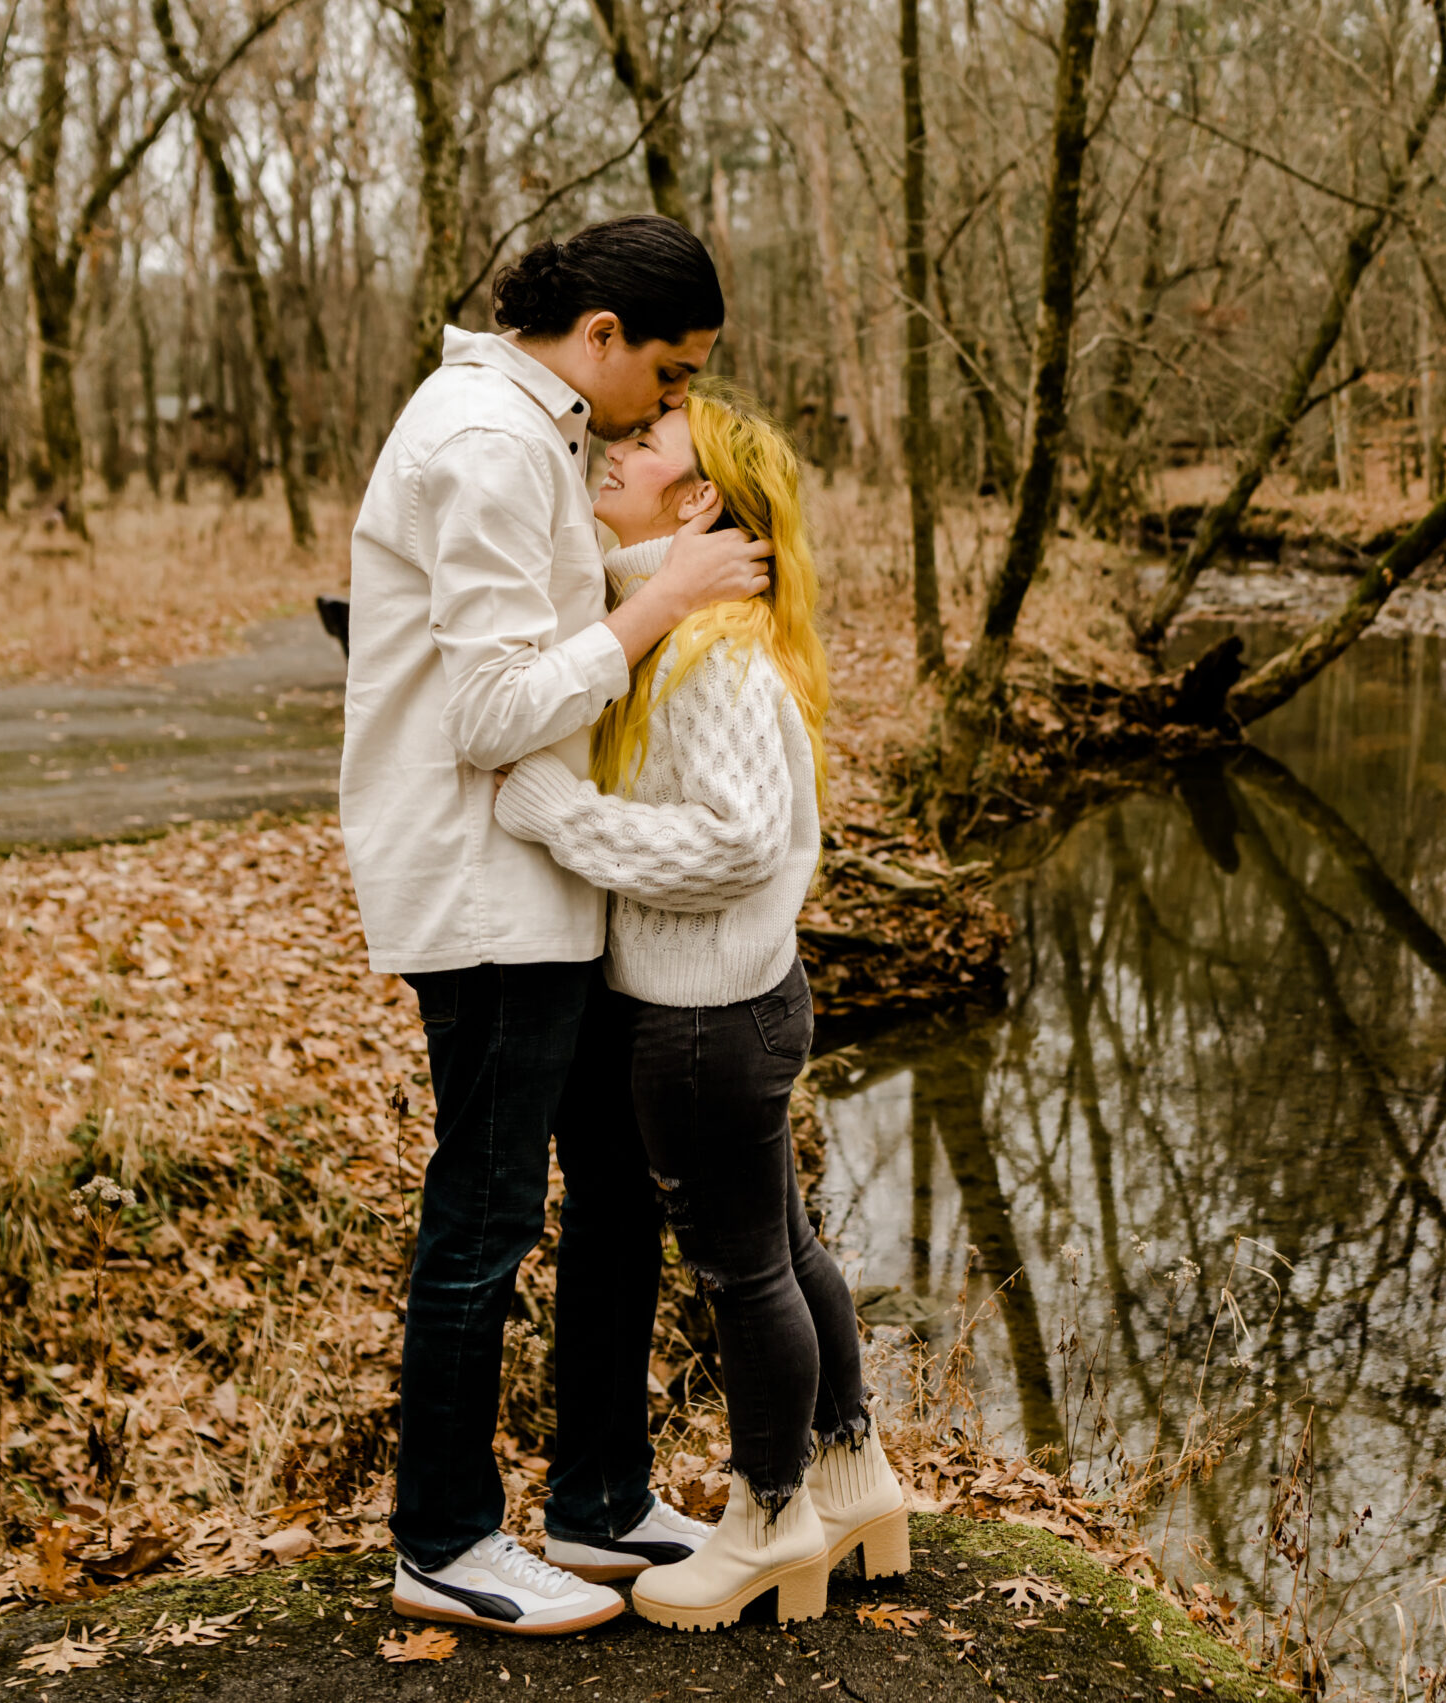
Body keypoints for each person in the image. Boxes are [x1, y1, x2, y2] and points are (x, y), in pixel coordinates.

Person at [341, 214, 772, 1638]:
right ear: (601, 338)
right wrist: (661, 596)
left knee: (610, 1186)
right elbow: (485, 709)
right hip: (482, 892)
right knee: (484, 1216)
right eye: (672, 368)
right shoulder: (483, 437)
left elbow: (530, 633)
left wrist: (644, 584)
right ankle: (446, 1536)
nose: (671, 403)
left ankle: (598, 1495)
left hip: (550, 888)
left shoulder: (530, 434)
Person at [490, 379, 908, 1633]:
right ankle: (853, 1477)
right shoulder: (697, 623)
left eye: (644, 442)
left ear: (702, 495)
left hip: (702, 1020)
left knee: (742, 1275)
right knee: (787, 1249)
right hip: (741, 999)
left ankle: (769, 1521)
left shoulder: (712, 651)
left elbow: (733, 840)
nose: (613, 450)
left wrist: (561, 818)